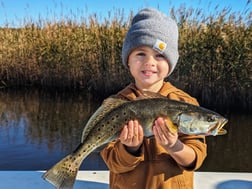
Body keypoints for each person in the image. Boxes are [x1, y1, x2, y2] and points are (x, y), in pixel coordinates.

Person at [100, 8, 207, 189]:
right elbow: (113, 163)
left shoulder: (185, 104)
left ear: (170, 64)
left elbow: (195, 158)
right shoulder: (115, 105)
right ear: (128, 60)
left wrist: (174, 146)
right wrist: (129, 148)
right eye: (140, 53)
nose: (149, 62)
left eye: (160, 55)